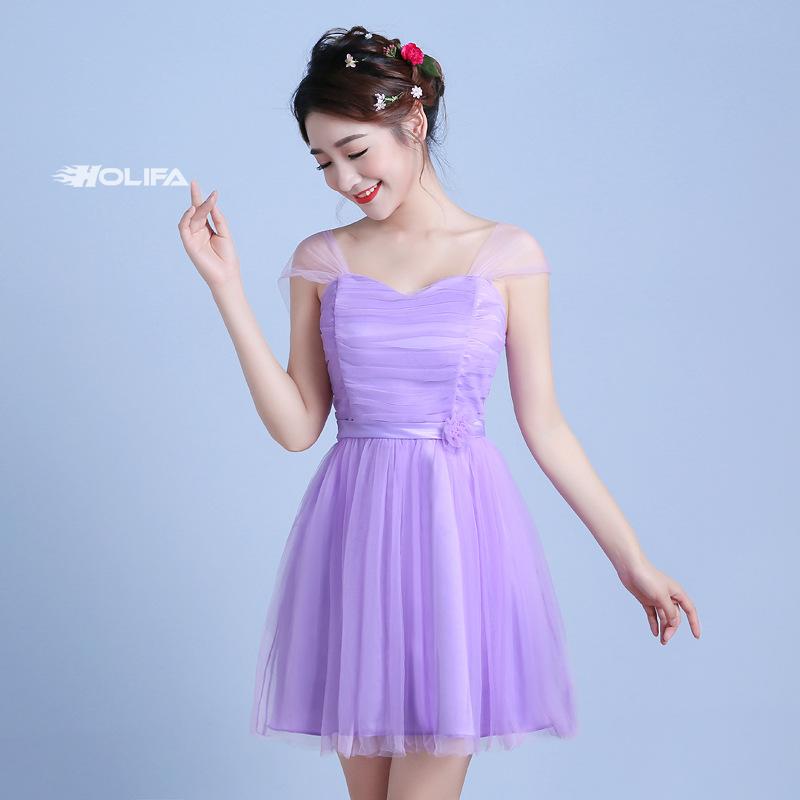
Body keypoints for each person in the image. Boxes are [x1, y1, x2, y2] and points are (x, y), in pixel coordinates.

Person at [178, 25, 701, 800]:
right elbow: (296, 428)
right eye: (323, 162)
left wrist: (632, 562)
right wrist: (225, 286)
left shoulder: (507, 254)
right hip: (354, 539)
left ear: (413, 122)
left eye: (355, 151)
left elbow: (546, 425)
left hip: (456, 537)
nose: (342, 179)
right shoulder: (322, 259)